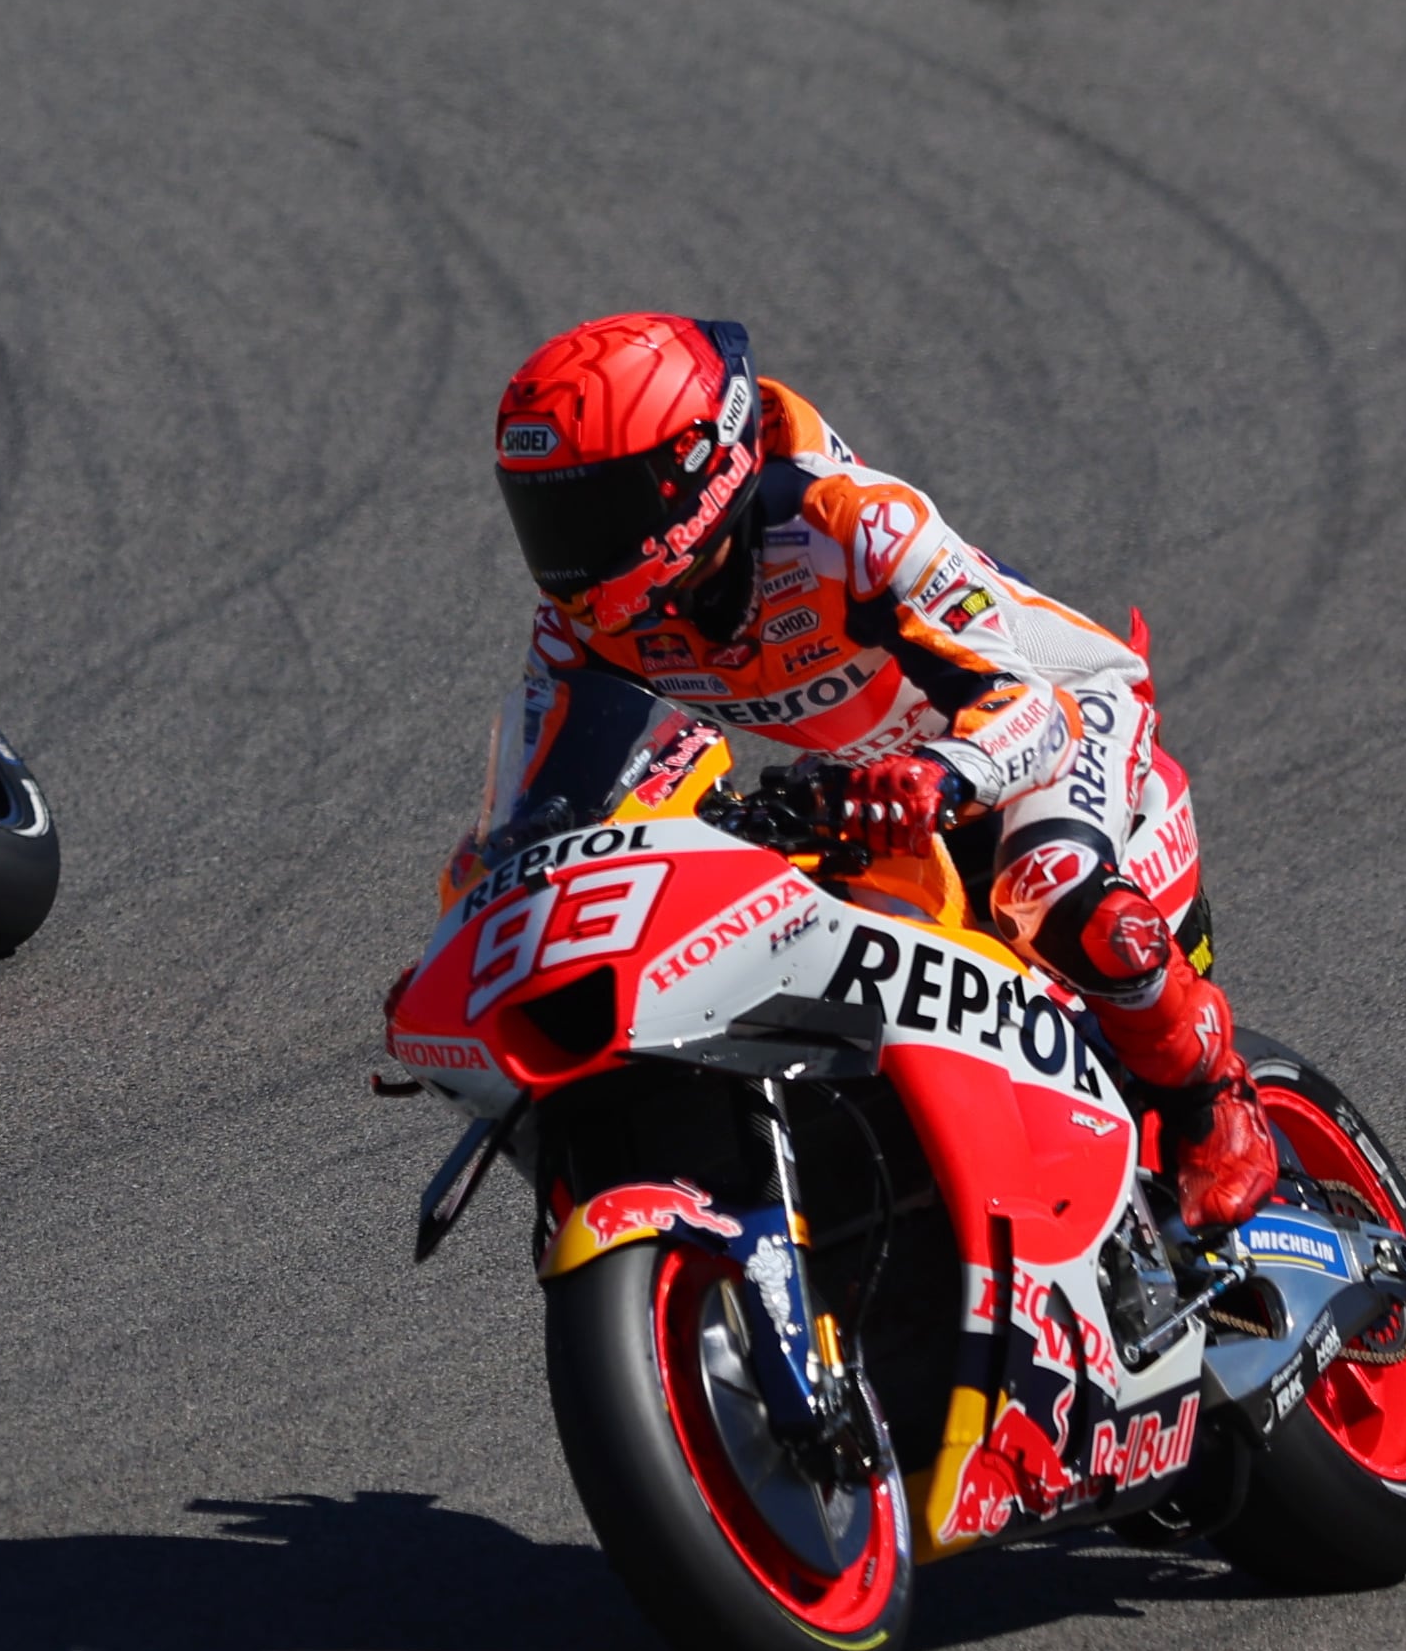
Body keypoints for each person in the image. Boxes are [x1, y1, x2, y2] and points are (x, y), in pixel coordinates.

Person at [481, 312, 1275, 1233]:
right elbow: (541, 817)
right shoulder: (589, 625)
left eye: (595, 508)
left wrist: (940, 775)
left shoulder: (850, 524)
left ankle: (1214, 1094)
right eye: (544, 513)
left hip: (1051, 713)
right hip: (881, 780)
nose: (568, 552)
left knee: (1047, 887)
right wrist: (481, 940)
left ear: (694, 469)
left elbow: (1021, 704)